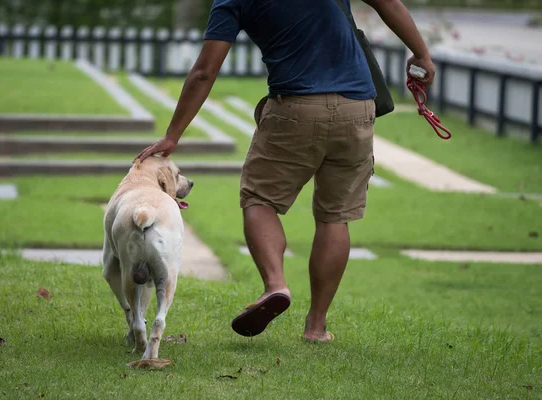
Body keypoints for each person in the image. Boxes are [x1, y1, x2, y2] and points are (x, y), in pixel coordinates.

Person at [134, 0, 435, 342]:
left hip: (295, 106)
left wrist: (173, 134)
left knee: (259, 200)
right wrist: (421, 53)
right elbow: (387, 3)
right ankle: (316, 327)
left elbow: (205, 71)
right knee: (336, 217)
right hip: (357, 107)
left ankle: (276, 285)